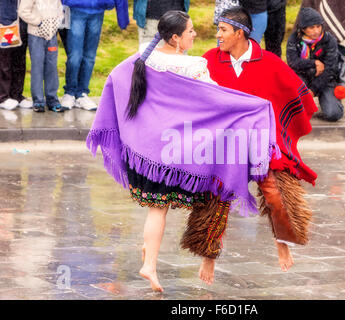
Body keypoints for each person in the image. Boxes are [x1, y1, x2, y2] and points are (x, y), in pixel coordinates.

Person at [87, 10, 278, 291]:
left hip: (145, 156)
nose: (195, 35)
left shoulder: (141, 58)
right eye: (190, 32)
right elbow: (217, 103)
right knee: (159, 211)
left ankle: (147, 251)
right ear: (176, 38)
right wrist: (254, 106)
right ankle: (148, 265)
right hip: (174, 158)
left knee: (156, 210)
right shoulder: (194, 68)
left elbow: (114, 80)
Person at [203, 6, 318, 272]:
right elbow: (192, 94)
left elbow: (296, 93)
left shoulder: (269, 61)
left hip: (262, 145)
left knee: (275, 192)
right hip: (226, 146)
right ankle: (208, 255)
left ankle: (283, 242)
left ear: (240, 33)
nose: (218, 35)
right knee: (214, 198)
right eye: (217, 29)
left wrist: (289, 125)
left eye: (223, 30)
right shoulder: (209, 60)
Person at [60, 0, 129, 111]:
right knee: (75, 56)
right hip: (75, 10)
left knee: (89, 57)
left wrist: (123, 18)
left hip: (98, 11)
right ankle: (70, 93)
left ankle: (82, 93)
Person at [287, 7, 344, 122]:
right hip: (302, 77)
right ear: (303, 29)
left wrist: (312, 90)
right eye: (311, 27)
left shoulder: (329, 40)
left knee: (333, 114)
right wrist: (314, 63)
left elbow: (330, 69)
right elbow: (292, 63)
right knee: (294, 113)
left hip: (325, 79)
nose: (316, 31)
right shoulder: (294, 39)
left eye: (318, 26)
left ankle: (333, 101)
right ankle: (297, 102)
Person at [18, 0, 65, 113]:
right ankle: (38, 101)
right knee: (37, 67)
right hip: (36, 35)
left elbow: (60, 10)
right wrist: (38, 22)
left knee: (51, 67)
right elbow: (23, 11)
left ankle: (52, 100)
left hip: (51, 36)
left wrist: (57, 22)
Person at [0, 0, 32, 110]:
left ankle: (17, 94)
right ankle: (3, 97)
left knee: (20, 59)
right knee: (5, 61)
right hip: (6, 20)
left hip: (22, 20)